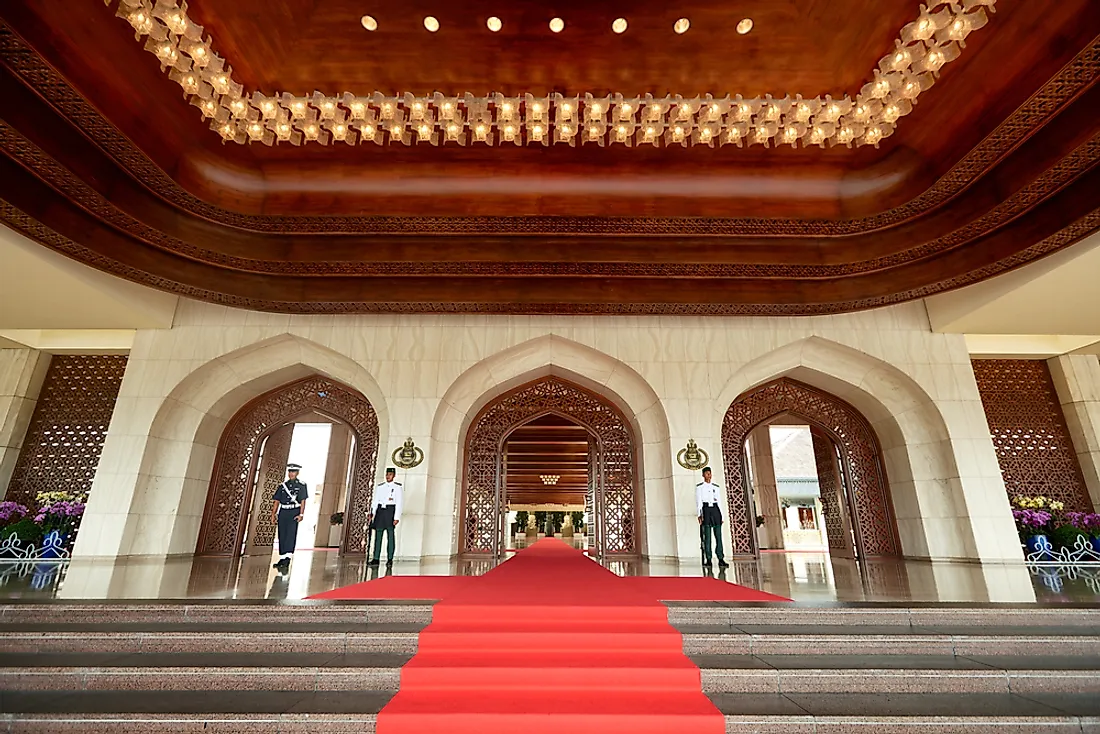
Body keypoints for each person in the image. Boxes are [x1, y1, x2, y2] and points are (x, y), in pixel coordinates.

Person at [270, 463, 309, 571]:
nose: (291, 474)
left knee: (291, 534)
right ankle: (282, 557)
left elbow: (303, 501)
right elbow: (277, 501)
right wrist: (273, 514)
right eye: (290, 472)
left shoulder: (302, 485)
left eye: (293, 472)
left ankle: (288, 558)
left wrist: (301, 514)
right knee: (282, 534)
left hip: (294, 512)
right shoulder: (282, 486)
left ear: (297, 473)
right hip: (283, 511)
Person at [367, 467, 402, 568]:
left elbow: (399, 503)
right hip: (380, 512)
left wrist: (396, 517)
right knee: (378, 536)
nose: (388, 476)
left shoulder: (397, 487)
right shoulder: (380, 487)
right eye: (387, 474)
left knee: (390, 536)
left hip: (390, 512)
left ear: (394, 476)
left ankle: (390, 558)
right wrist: (372, 512)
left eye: (390, 475)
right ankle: (376, 558)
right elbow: (376, 500)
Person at [696, 466, 729, 569]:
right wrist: (699, 514)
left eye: (709, 473)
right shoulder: (700, 487)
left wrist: (722, 515)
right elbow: (699, 502)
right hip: (706, 510)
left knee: (718, 536)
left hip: (715, 510)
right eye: (706, 473)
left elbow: (719, 502)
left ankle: (720, 558)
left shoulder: (716, 487)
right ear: (703, 475)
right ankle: (709, 559)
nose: (708, 475)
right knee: (707, 537)